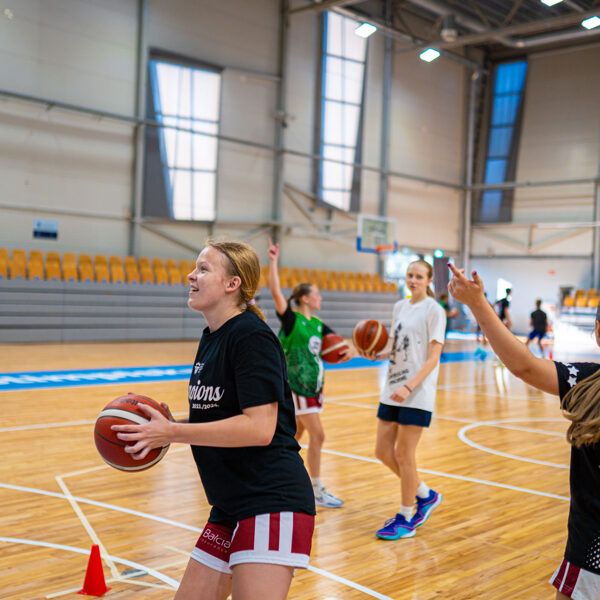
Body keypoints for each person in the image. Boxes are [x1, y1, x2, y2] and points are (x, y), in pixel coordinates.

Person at [112, 241, 316, 600]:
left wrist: (173, 432)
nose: (191, 275)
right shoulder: (212, 338)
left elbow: (259, 427)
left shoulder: (251, 336)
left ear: (232, 284)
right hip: (229, 503)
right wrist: (172, 422)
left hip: (270, 499)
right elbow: (222, 413)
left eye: (204, 268)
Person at [448, 264, 600, 600]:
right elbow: (524, 366)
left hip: (592, 552)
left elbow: (524, 366)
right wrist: (478, 305)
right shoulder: (588, 382)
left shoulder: (588, 381)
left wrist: (477, 304)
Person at [359, 259, 446, 540]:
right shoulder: (400, 306)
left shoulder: (435, 311)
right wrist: (377, 355)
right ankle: (425, 494)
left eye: (419, 276)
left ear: (428, 280)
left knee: (404, 455)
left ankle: (407, 517)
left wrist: (409, 387)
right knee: (382, 452)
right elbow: (398, 349)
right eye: (410, 275)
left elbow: (433, 358)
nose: (413, 280)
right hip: (392, 388)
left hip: (416, 392)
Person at [267, 239, 351, 508]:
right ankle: (314, 490)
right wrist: (272, 261)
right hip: (295, 385)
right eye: (317, 294)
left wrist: (364, 350)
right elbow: (276, 292)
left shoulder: (318, 324)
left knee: (293, 438)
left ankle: (273, 479)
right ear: (305, 298)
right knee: (318, 436)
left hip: (314, 386)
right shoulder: (292, 320)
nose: (320, 297)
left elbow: (341, 349)